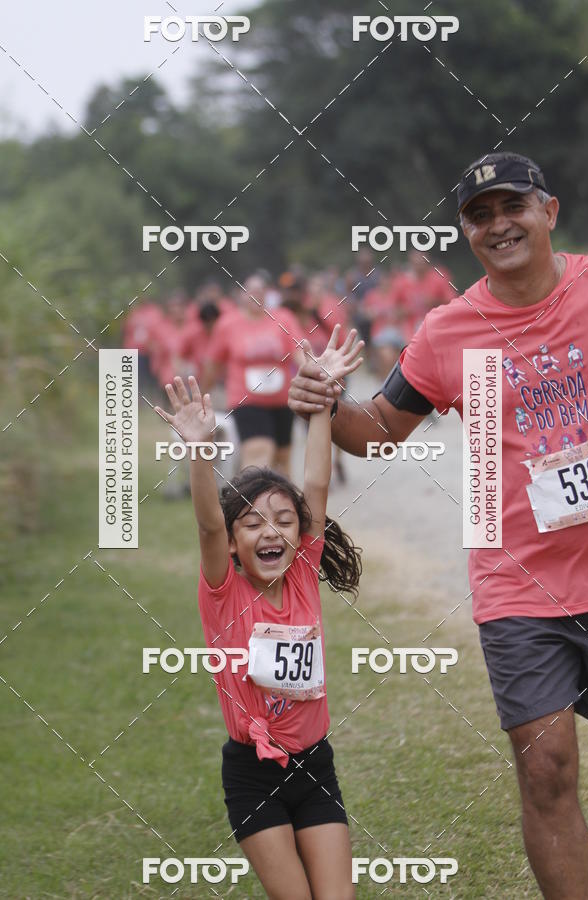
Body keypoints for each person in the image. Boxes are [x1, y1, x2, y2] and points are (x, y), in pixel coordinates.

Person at [289, 152, 588, 900]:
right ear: (467, 233)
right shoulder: (446, 332)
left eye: (512, 206)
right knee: (545, 765)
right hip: (519, 586)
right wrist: (327, 400)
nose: (499, 225)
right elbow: (379, 430)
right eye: (479, 215)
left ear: (549, 211)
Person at [155, 324, 364, 900]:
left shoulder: (300, 572)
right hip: (253, 777)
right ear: (231, 543)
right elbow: (205, 522)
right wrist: (201, 451)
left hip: (314, 766)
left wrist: (321, 400)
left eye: (283, 520)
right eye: (251, 524)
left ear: (301, 534)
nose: (270, 532)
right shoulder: (223, 589)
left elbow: (315, 483)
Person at [203, 273, 305, 477]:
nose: (256, 297)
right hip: (246, 400)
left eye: (260, 291)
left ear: (268, 294)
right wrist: (203, 397)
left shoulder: (283, 318)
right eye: (251, 292)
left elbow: (298, 352)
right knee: (259, 451)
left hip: (282, 400)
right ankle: (248, 504)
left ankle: (283, 506)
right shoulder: (228, 324)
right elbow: (212, 363)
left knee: (282, 459)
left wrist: (311, 371)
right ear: (242, 295)